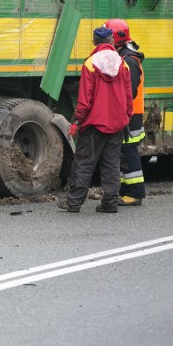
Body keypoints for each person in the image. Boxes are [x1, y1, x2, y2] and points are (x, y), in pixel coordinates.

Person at [58, 27, 133, 213]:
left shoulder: (90, 64)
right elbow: (128, 97)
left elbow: (85, 99)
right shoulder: (123, 65)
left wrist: (77, 122)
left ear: (94, 42)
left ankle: (74, 203)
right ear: (112, 41)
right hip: (117, 124)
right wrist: (126, 118)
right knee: (112, 165)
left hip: (94, 125)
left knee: (84, 163)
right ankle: (110, 204)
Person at [103, 19, 146, 206]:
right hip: (127, 112)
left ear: (116, 38)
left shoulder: (128, 60)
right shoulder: (125, 57)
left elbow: (130, 90)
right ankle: (125, 191)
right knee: (122, 150)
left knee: (128, 151)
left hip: (131, 114)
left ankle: (135, 193)